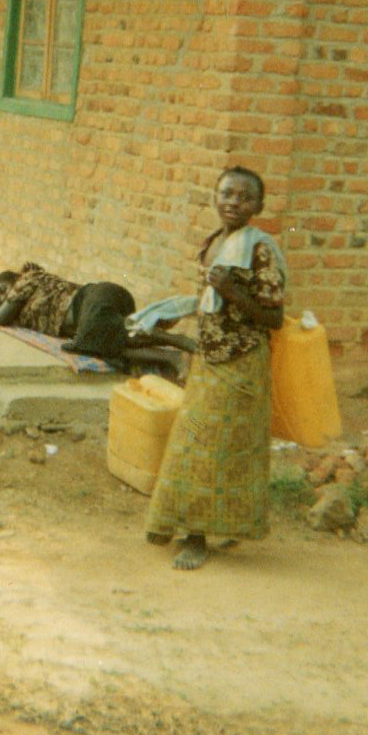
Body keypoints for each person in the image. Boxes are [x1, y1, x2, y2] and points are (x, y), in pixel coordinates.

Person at [143, 165, 285, 570]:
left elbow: (274, 319)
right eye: (226, 194)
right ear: (214, 196)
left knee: (221, 449)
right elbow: (207, 301)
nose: (234, 203)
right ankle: (190, 527)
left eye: (244, 197)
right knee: (193, 441)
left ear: (259, 205)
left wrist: (231, 290)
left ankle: (197, 537)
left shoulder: (261, 250)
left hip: (241, 362)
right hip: (208, 360)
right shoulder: (212, 242)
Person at [0, 264, 143, 369]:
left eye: (2, 290)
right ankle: (162, 342)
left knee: (90, 342)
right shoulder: (27, 298)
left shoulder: (26, 279)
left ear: (13, 279)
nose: (2, 299)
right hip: (108, 301)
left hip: (94, 299)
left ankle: (165, 356)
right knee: (112, 341)